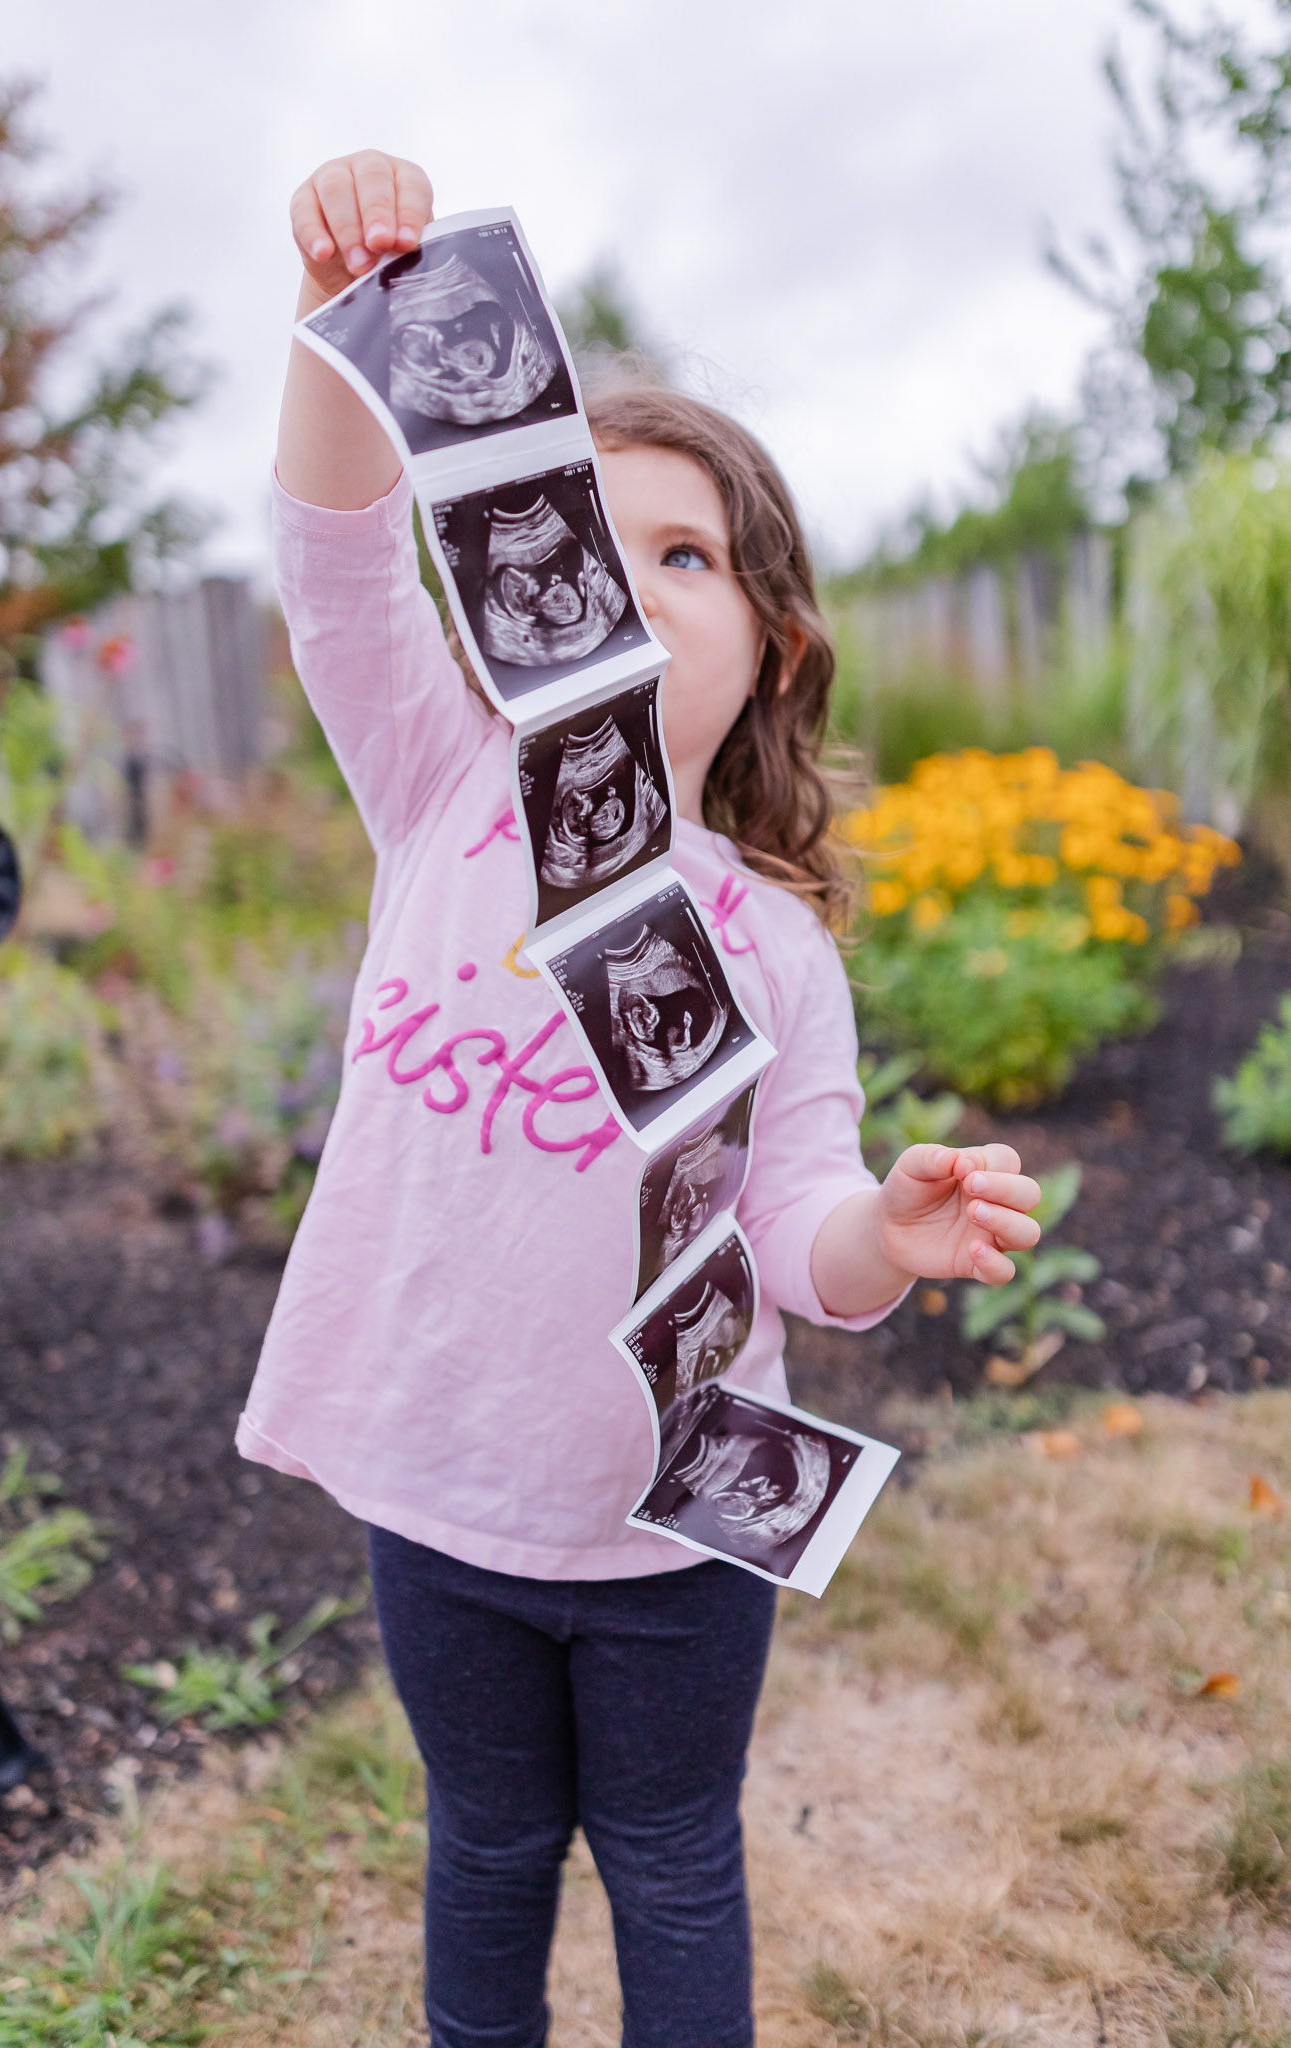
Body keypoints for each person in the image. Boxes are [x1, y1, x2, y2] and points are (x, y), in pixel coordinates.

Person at [241, 147, 1044, 2048]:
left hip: (678, 1523)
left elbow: (798, 1228)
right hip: (442, 1498)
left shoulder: (770, 946)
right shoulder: (447, 785)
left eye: (683, 554)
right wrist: (345, 313)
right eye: (591, 537)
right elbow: (335, 556)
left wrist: (886, 1239)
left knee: (673, 1854)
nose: (628, 578)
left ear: (765, 639)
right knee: (490, 1845)